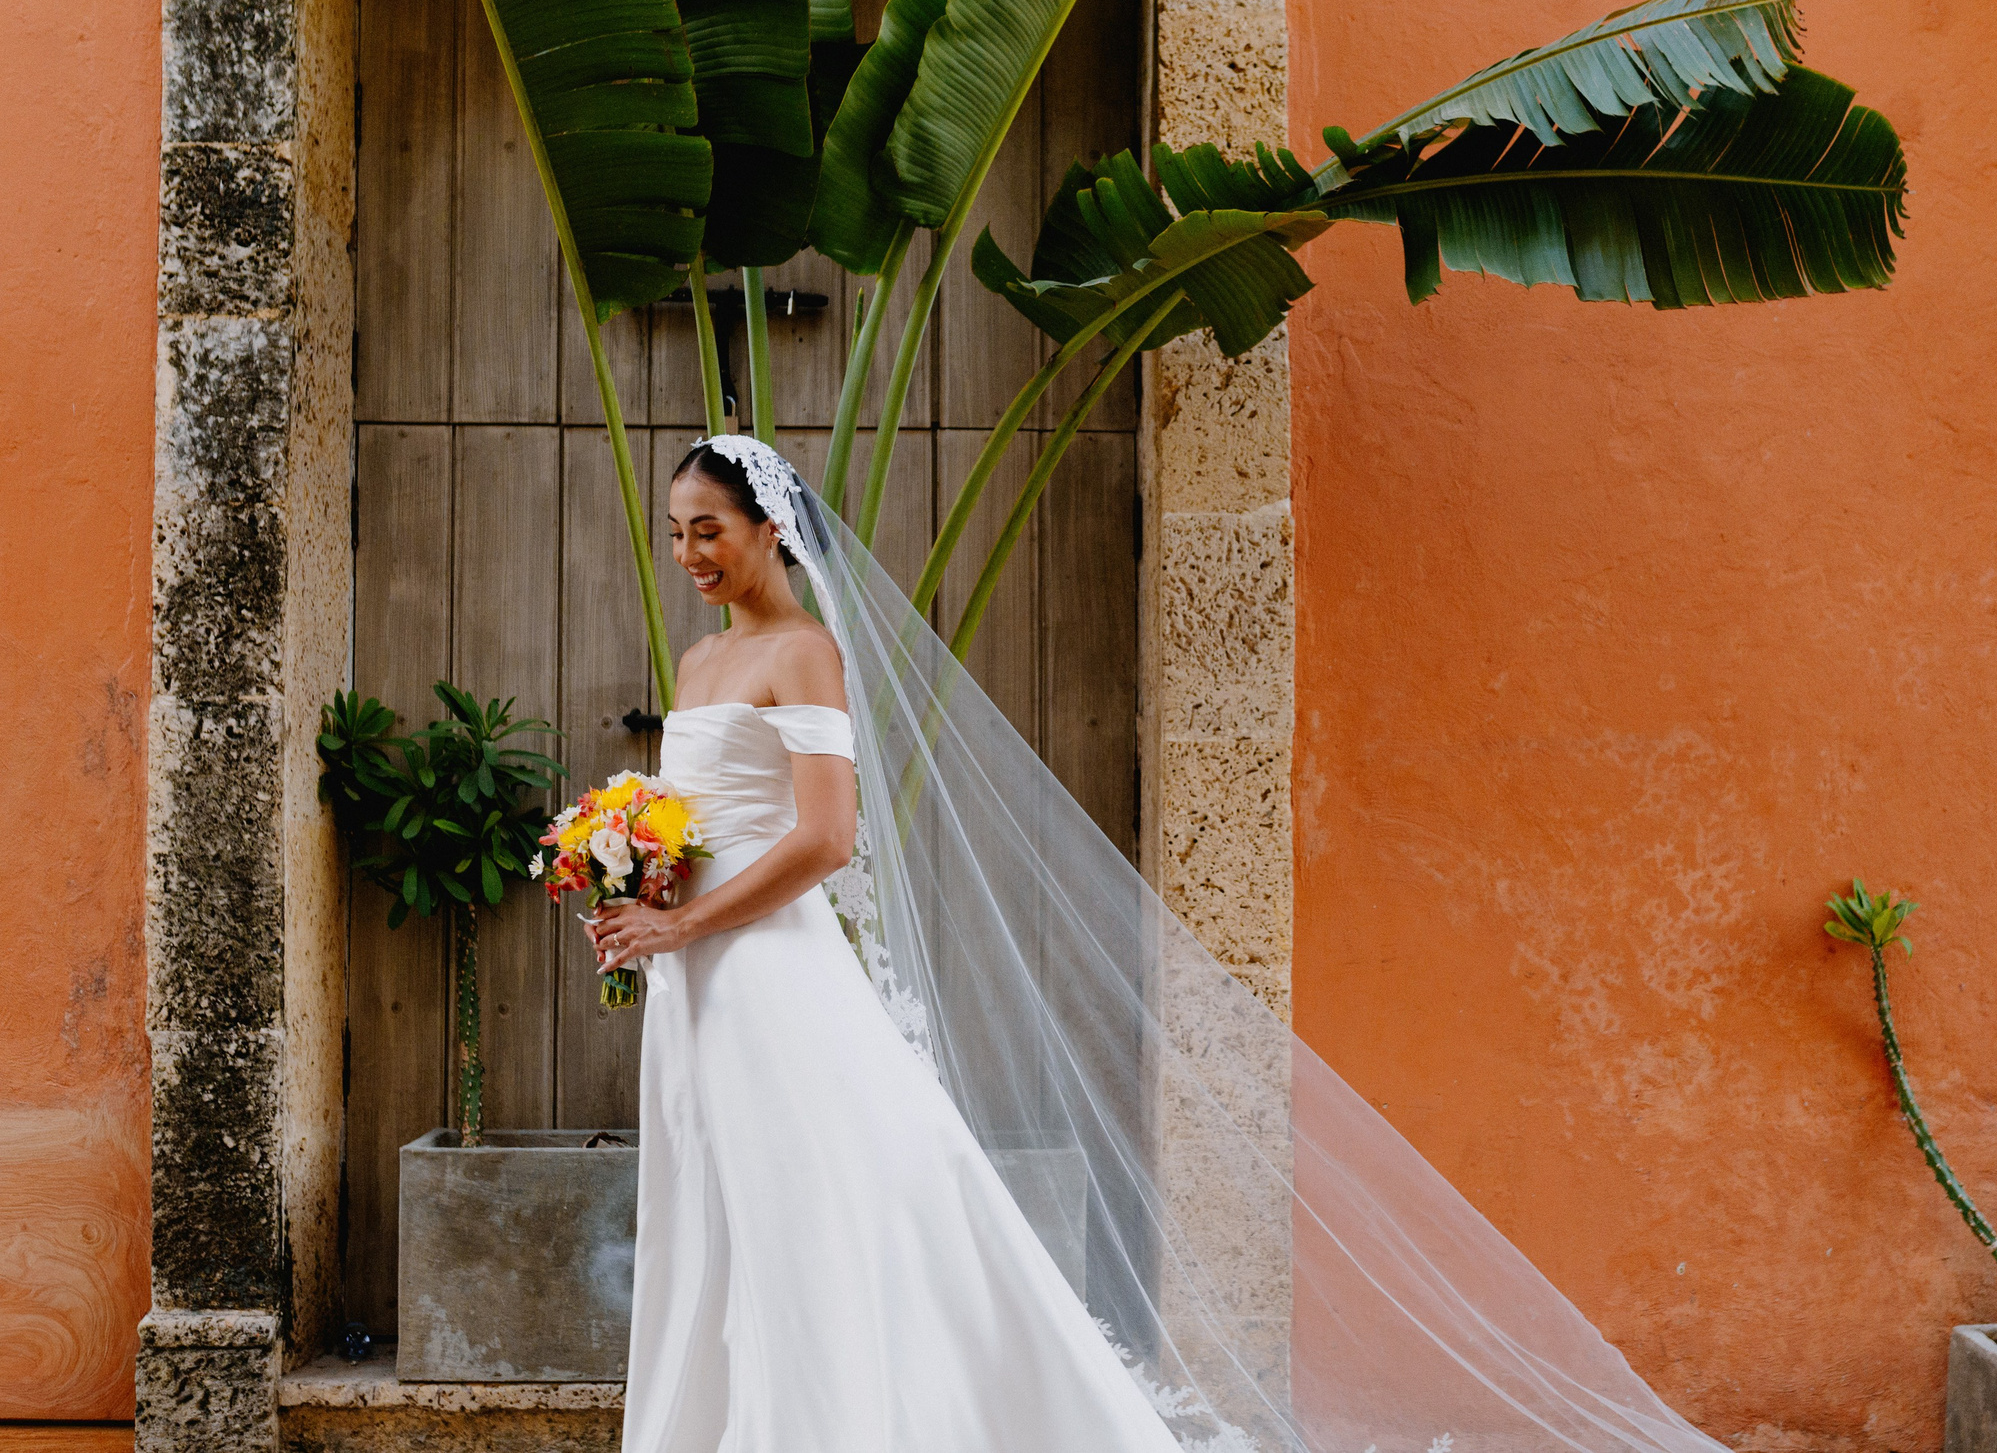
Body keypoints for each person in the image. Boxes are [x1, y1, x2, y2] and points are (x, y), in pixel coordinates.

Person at [593, 435, 1726, 1453]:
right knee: (717, 1204)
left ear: (770, 529)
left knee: (804, 1205)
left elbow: (828, 838)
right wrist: (633, 872)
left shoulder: (804, 652)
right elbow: (707, 821)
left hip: (774, 980)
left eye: (711, 530)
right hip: (695, 981)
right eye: (678, 532)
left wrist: (681, 919)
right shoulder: (698, 664)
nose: (690, 554)